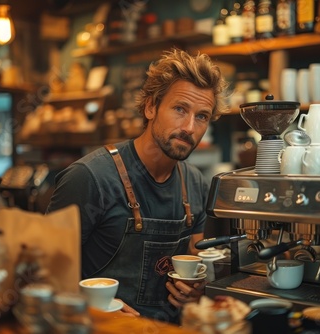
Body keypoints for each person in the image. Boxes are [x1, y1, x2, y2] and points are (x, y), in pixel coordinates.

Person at [46, 48, 229, 324]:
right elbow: (41, 273)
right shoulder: (89, 178)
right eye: (180, 109)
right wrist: (95, 307)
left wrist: (195, 290)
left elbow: (196, 260)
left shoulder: (195, 183)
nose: (190, 127)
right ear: (151, 107)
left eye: (202, 116)